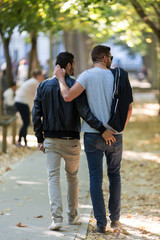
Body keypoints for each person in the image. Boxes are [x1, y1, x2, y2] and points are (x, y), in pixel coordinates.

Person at [32, 51, 116, 231]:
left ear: (57, 66)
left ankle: (56, 219)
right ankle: (72, 215)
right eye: (73, 64)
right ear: (69, 66)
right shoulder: (75, 86)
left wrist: (40, 138)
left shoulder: (43, 86)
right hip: (71, 141)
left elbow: (35, 114)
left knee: (53, 178)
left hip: (51, 140)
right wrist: (102, 129)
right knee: (72, 178)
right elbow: (85, 112)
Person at [55, 45, 133, 233]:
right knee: (115, 176)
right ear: (105, 59)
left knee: (95, 179)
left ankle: (101, 224)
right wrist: (118, 130)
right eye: (111, 57)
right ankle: (115, 220)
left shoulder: (86, 76)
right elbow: (129, 108)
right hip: (116, 136)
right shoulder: (119, 76)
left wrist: (60, 79)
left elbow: (67, 96)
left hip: (92, 135)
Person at [15, 69, 44, 147]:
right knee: (26, 123)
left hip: (20, 102)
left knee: (26, 123)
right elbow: (39, 96)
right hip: (22, 103)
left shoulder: (31, 81)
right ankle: (20, 141)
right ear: (38, 76)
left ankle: (23, 142)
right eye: (41, 75)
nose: (42, 77)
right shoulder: (35, 82)